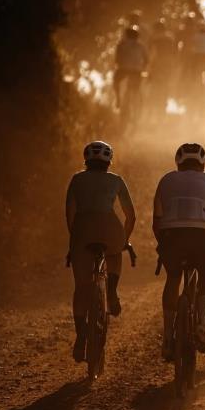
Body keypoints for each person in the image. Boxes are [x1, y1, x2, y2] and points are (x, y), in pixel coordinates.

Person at [153, 142, 205, 360]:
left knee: (173, 277)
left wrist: (163, 245)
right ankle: (203, 324)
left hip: (171, 237)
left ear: (178, 162)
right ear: (203, 163)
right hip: (200, 236)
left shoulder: (166, 180)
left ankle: (168, 337)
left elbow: (156, 222)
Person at [65, 141, 136, 363]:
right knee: (115, 253)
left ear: (86, 160)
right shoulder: (116, 180)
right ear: (108, 161)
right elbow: (130, 215)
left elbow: (70, 213)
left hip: (82, 231)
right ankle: (112, 292)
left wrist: (74, 238)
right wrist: (125, 239)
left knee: (81, 288)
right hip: (110, 228)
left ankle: (81, 336)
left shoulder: (77, 179)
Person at [113, 26, 149, 111]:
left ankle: (118, 98)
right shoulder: (141, 46)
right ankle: (137, 104)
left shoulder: (121, 44)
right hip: (137, 71)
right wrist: (142, 68)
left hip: (123, 69)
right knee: (137, 88)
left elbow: (117, 59)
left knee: (115, 81)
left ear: (126, 35)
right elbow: (146, 60)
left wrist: (120, 64)